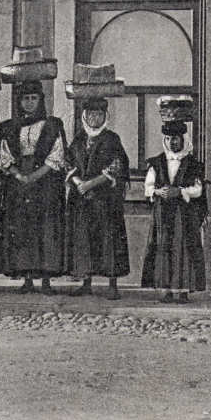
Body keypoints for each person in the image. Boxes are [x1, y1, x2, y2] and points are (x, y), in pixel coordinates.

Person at [0, 78, 67, 294]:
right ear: (19, 101)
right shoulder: (8, 127)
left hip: (45, 183)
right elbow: (5, 156)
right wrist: (19, 175)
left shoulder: (52, 125)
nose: (30, 103)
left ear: (40, 100)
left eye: (34, 98)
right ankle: (27, 279)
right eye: (26, 99)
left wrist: (34, 176)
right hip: (17, 183)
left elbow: (57, 155)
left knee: (45, 229)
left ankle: (46, 281)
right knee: (23, 229)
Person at [65, 98, 130, 300]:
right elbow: (68, 163)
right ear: (84, 116)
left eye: (99, 114)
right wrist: (78, 183)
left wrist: (90, 184)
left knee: (109, 240)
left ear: (105, 116)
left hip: (105, 200)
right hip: (82, 199)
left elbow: (117, 165)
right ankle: (86, 283)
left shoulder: (112, 139)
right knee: (84, 239)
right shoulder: (78, 139)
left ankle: (112, 285)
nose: (95, 118)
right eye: (91, 114)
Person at [141, 120, 208, 302]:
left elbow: (198, 190)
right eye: (169, 139)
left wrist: (179, 191)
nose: (172, 142)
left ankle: (182, 290)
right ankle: (165, 289)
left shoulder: (193, 164)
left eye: (176, 139)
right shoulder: (157, 162)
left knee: (182, 248)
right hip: (162, 213)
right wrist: (158, 192)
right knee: (163, 247)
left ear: (183, 139)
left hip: (183, 214)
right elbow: (148, 187)